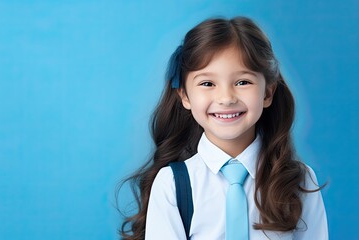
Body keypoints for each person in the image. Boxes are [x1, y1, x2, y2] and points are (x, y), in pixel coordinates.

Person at [119, 16, 328, 240]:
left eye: (242, 82)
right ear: (185, 96)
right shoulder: (172, 184)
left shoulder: (299, 180)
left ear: (267, 92)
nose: (226, 98)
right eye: (207, 83)